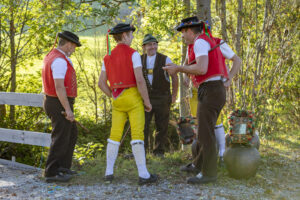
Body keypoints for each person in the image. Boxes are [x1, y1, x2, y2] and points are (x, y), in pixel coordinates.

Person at [163, 16, 241, 184]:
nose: (182, 36)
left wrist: (178, 69)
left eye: (183, 33)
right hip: (213, 89)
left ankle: (209, 173)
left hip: (211, 90)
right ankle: (198, 164)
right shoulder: (209, 41)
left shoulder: (199, 42)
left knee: (206, 134)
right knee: (203, 130)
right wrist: (227, 80)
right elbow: (233, 61)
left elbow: (201, 67)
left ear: (190, 31)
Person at [98, 23, 158, 185]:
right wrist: (147, 101)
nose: (132, 38)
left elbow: (101, 83)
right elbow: (139, 80)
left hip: (117, 99)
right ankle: (143, 174)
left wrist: (113, 95)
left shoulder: (107, 56)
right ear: (124, 35)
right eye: (131, 34)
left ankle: (108, 172)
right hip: (133, 98)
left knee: (114, 135)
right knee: (137, 134)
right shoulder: (133, 54)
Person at [42, 31, 81, 182]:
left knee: (71, 134)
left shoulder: (52, 55)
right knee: (60, 137)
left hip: (55, 100)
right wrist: (68, 109)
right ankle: (51, 172)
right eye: (74, 46)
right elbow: (59, 87)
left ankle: (63, 167)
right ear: (69, 44)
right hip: (58, 101)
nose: (74, 49)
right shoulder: (59, 60)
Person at [141, 34, 178, 156]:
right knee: (143, 126)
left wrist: (174, 95)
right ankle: (142, 151)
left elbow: (174, 77)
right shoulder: (139, 60)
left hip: (162, 97)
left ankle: (159, 151)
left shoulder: (165, 59)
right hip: (146, 98)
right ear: (144, 47)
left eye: (155, 44)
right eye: (150, 44)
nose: (153, 47)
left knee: (162, 126)